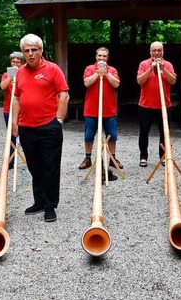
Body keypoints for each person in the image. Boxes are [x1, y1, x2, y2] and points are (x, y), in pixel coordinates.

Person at [12, 34, 69, 222]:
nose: (30, 54)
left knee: (50, 167)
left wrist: (58, 120)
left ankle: (50, 205)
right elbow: (17, 98)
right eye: (26, 51)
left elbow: (63, 96)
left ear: (41, 50)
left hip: (49, 127)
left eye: (33, 50)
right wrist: (14, 122)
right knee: (34, 166)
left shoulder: (52, 69)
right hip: (27, 128)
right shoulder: (20, 71)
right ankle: (39, 201)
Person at [78, 47, 121, 182]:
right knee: (89, 135)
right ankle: (88, 158)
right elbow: (86, 83)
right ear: (96, 56)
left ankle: (112, 159)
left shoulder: (112, 70)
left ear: (107, 57)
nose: (101, 58)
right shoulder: (89, 69)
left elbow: (116, 84)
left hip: (109, 109)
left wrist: (106, 73)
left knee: (112, 136)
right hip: (91, 109)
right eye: (99, 56)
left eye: (104, 56)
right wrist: (98, 73)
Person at [136, 41, 177, 167]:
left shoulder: (168, 64)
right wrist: (150, 68)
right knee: (144, 132)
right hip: (145, 105)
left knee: (164, 132)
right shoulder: (144, 64)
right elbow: (140, 81)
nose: (157, 53)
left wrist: (163, 69)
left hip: (164, 105)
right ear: (150, 52)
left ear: (163, 51)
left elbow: (173, 81)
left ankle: (163, 157)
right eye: (154, 50)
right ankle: (143, 157)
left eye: (159, 50)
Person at [0, 52, 24, 170]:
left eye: (17, 62)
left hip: (23, 109)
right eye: (13, 62)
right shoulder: (6, 74)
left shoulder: (25, 74)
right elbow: (3, 87)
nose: (15, 64)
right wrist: (11, 76)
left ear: (21, 63)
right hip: (8, 109)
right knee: (11, 135)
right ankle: (11, 160)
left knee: (25, 133)